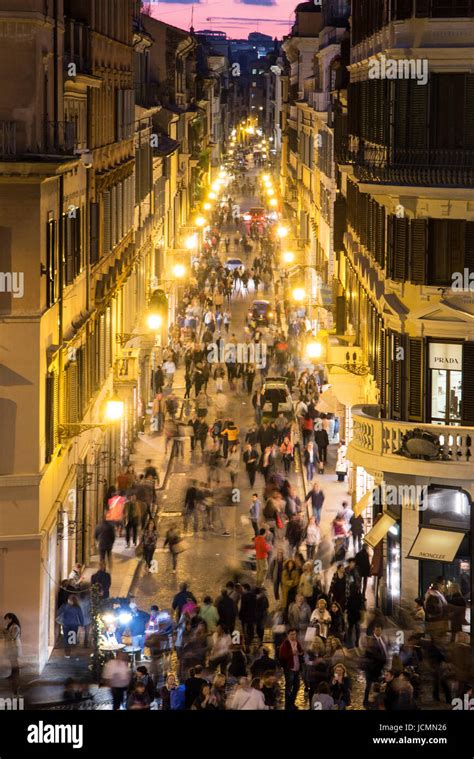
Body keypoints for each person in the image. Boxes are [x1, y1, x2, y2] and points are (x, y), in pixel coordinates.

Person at [363, 623, 389, 708]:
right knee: (369, 686)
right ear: (374, 630)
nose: (378, 631)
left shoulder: (382, 639)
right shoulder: (371, 640)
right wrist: (382, 659)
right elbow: (370, 654)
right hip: (371, 668)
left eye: (380, 630)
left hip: (379, 668)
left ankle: (374, 702)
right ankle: (366, 702)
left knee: (376, 686)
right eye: (377, 630)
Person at [279, 629, 303, 710]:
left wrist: (300, 653)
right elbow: (282, 656)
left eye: (295, 634)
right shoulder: (285, 644)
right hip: (289, 669)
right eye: (292, 634)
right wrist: (291, 653)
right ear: (288, 635)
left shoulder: (297, 642)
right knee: (288, 687)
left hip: (297, 668)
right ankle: (288, 705)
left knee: (297, 686)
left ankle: (291, 702)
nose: (293, 636)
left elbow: (301, 651)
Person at [3, 613, 21, 690]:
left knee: (14, 662)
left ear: (10, 618)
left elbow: (12, 636)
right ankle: (12, 675)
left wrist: (5, 632)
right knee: (12, 661)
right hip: (11, 646)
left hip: (14, 647)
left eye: (7, 618)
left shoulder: (15, 626)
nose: (6, 620)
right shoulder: (10, 626)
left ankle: (16, 677)